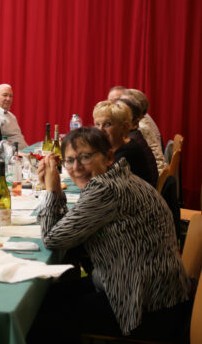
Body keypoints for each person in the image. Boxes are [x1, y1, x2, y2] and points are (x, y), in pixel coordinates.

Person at [29, 127, 189, 342]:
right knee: (41, 299)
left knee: (35, 316)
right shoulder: (120, 177)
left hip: (142, 308)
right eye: (70, 160)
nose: (76, 167)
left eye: (85, 157)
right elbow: (68, 230)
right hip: (152, 292)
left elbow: (52, 239)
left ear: (109, 157)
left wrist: (51, 190)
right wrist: (56, 191)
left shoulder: (105, 189)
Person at [93, 100, 157, 187]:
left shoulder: (127, 153)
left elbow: (101, 184)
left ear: (124, 127)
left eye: (108, 124)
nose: (100, 130)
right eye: (97, 124)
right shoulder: (114, 147)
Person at [121, 88, 166, 172]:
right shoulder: (145, 119)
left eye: (125, 104)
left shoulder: (140, 127)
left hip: (155, 173)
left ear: (135, 108)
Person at [0, 84, 28, 150]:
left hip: (25, 150)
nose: (8, 99)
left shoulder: (11, 115)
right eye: (5, 95)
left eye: (11, 96)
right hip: (14, 154)